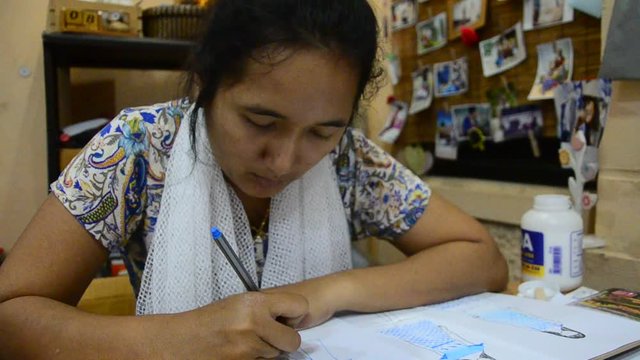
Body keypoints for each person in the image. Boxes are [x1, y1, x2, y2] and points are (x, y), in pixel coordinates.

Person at [0, 0, 508, 358]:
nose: (285, 160)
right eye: (261, 123)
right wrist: (176, 340)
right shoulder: (137, 146)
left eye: (321, 131)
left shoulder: (347, 159)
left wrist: (328, 291)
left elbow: (480, 257)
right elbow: (11, 317)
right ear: (204, 84)